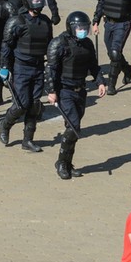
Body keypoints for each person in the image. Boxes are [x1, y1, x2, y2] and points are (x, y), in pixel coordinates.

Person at [45, 11, 106, 179]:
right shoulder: (59, 43)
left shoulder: (87, 44)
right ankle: (62, 163)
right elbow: (51, 69)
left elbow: (93, 65)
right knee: (74, 126)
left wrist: (100, 81)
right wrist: (51, 91)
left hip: (81, 90)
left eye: (85, 28)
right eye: (79, 28)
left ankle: (68, 162)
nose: (83, 30)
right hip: (64, 90)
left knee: (73, 128)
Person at [0, 0, 54, 153]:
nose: (38, 3)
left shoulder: (45, 21)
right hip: (21, 68)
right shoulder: (17, 21)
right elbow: (6, 46)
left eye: (40, 0)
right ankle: (5, 124)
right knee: (21, 104)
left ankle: (27, 139)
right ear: (28, 1)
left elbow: (49, 44)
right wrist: (5, 67)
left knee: (35, 105)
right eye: (35, 0)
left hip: (38, 66)